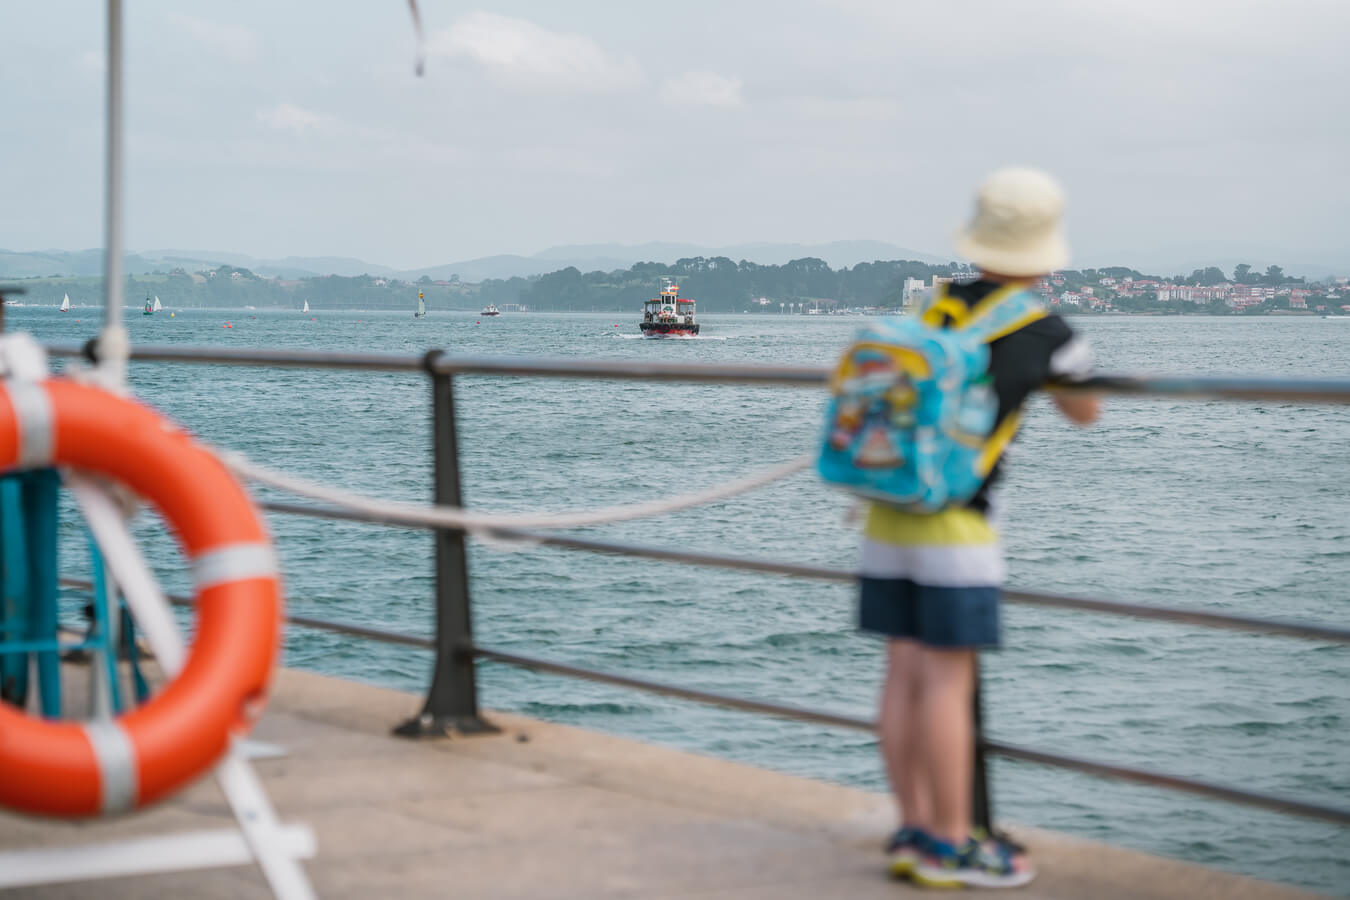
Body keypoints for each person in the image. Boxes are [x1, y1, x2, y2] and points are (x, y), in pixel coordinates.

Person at [860, 167, 1100, 889]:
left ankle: (909, 829)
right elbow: (1084, 411)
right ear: (1046, 251)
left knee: (902, 672)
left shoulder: (930, 307)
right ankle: (951, 843)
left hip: (887, 506)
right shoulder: (1047, 330)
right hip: (959, 526)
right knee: (946, 681)